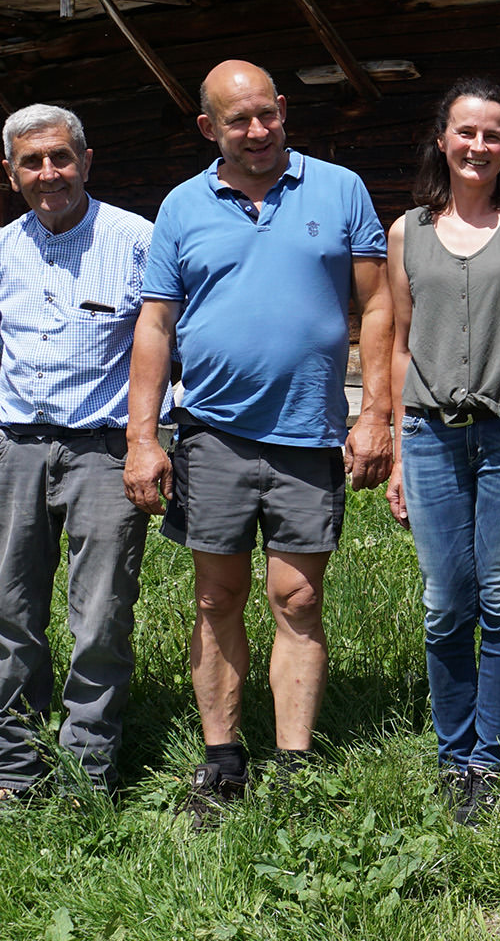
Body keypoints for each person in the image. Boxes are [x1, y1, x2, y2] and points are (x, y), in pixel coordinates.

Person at [123, 60, 393, 825]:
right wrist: (144, 437)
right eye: (237, 120)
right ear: (209, 128)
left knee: (298, 597)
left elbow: (376, 308)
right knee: (217, 596)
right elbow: (155, 326)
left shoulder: (340, 190)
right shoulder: (181, 206)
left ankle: (295, 767)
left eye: (267, 114)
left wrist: (376, 413)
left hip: (309, 433)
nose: (258, 130)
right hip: (212, 432)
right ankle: (222, 761)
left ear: (284, 110)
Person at [383, 79, 500, 824]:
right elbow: (400, 346)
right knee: (443, 605)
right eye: (466, 132)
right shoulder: (409, 232)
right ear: (443, 139)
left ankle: (488, 760)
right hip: (431, 435)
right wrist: (399, 452)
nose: (478, 147)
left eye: (492, 135)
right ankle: (451, 752)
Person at [0, 104, 153, 801]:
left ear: (86, 160)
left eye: (61, 158)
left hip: (105, 451)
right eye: (32, 161)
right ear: (10, 171)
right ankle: (15, 771)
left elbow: (164, 344)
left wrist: (149, 440)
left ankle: (88, 772)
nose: (48, 173)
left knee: (101, 616)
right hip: (18, 446)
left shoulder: (135, 239)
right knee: (10, 612)